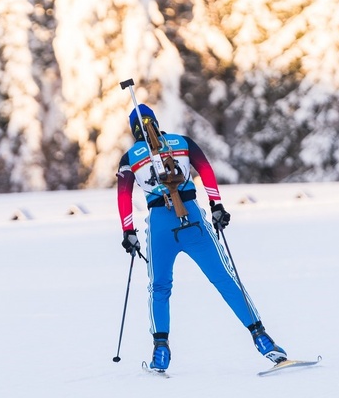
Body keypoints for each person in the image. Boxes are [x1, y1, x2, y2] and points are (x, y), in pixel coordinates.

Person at [117, 104, 286, 372]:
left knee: (159, 288)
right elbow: (205, 171)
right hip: (192, 220)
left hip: (160, 225)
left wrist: (128, 232)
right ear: (156, 122)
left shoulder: (129, 158)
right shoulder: (182, 142)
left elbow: (123, 196)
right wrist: (217, 206)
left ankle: (160, 348)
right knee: (225, 278)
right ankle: (261, 337)